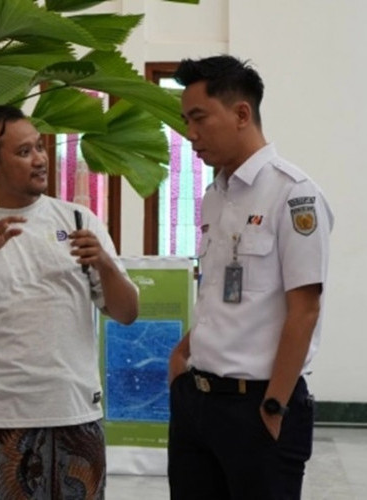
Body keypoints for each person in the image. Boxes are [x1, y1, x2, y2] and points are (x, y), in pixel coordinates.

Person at [0, 105, 139, 499]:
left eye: (39, 147)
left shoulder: (79, 221)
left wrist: (106, 265)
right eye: (24, 152)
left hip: (74, 413)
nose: (40, 159)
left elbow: (127, 313)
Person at [166, 55, 334, 500]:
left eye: (199, 118)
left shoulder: (293, 194)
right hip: (197, 402)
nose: (191, 134)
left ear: (242, 113)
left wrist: (275, 406)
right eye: (186, 120)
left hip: (257, 407)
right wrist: (181, 357)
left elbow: (306, 309)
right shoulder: (214, 196)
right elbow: (218, 294)